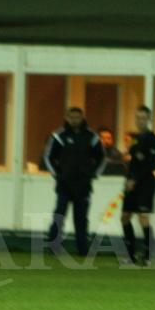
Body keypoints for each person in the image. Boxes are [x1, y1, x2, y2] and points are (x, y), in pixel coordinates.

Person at [43, 107, 106, 255]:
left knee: (81, 219)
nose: (74, 120)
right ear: (67, 117)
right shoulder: (58, 136)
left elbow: (102, 157)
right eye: (72, 117)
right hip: (64, 184)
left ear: (82, 117)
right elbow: (48, 157)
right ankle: (53, 246)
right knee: (59, 215)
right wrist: (58, 175)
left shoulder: (91, 137)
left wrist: (92, 174)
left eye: (77, 117)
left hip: (83, 185)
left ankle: (82, 249)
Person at [122, 106, 155, 264]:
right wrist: (128, 179)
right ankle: (130, 255)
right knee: (125, 217)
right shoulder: (135, 138)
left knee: (143, 217)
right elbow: (133, 162)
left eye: (143, 118)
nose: (140, 121)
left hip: (146, 183)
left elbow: (150, 165)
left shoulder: (152, 139)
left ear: (149, 119)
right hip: (132, 183)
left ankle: (148, 255)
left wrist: (135, 180)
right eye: (138, 118)